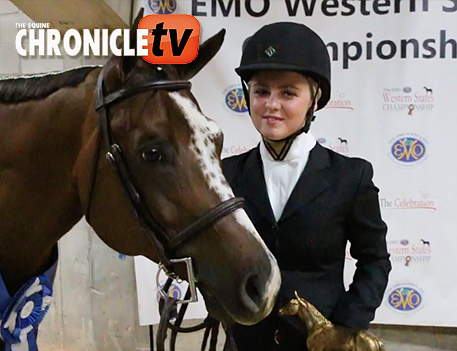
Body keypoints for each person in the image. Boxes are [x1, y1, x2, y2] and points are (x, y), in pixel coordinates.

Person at [221, 22, 392, 351]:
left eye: (287, 93)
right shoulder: (225, 174)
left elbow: (375, 260)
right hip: (244, 343)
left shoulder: (350, 177)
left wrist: (347, 325)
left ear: (314, 99)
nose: (272, 104)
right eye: (261, 91)